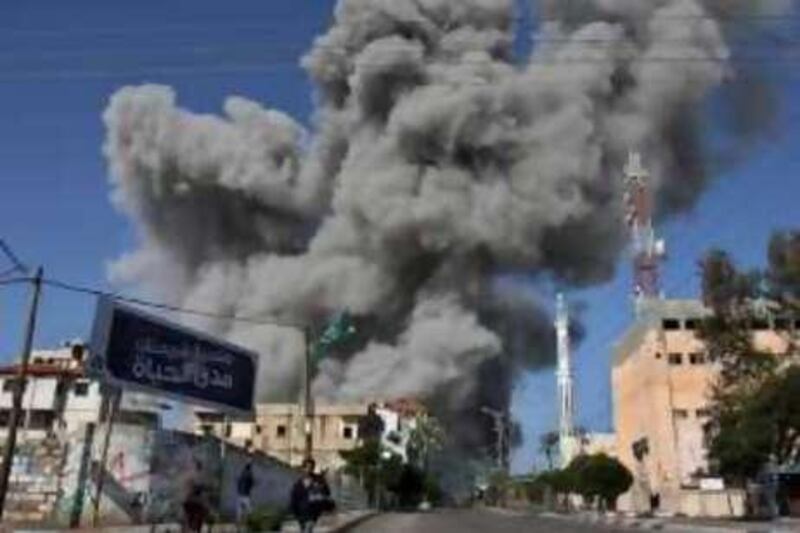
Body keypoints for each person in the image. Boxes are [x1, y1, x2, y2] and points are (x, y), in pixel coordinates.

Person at [290, 458, 334, 533]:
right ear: (303, 468)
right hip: (301, 513)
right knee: (304, 530)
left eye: (311, 467)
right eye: (307, 467)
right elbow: (294, 498)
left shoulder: (318, 480)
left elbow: (327, 492)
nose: (309, 469)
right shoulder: (298, 483)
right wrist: (295, 513)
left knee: (308, 529)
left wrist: (321, 486)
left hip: (313, 512)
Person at [182, 459, 209, 533]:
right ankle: (195, 528)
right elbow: (199, 487)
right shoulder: (199, 475)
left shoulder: (190, 474)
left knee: (190, 518)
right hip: (195, 501)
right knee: (201, 514)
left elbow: (187, 487)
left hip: (190, 501)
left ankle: (191, 528)